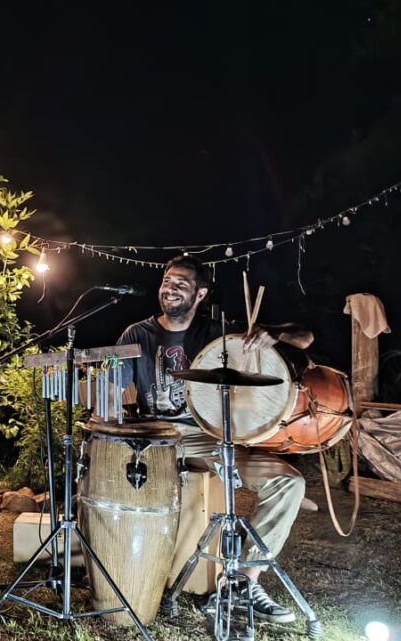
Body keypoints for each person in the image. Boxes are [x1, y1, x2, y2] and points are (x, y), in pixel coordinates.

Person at [115, 255, 312, 623]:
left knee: (288, 482)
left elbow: (304, 336)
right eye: (166, 281)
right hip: (153, 438)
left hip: (207, 437)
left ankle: (243, 581)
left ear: (200, 293)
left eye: (181, 284)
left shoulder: (218, 334)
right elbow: (111, 393)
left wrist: (274, 331)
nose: (169, 289)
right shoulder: (137, 334)